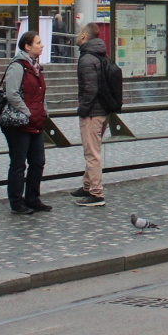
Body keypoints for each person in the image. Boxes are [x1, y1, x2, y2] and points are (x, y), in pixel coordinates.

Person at [3, 31, 50, 214]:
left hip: (35, 121)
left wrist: (43, 110)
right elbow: (12, 93)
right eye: (38, 42)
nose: (42, 45)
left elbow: (40, 93)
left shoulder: (36, 66)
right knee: (18, 163)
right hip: (19, 123)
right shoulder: (18, 66)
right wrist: (27, 112)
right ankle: (17, 201)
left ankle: (33, 198)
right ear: (27, 46)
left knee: (38, 161)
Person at [73, 22, 110, 207]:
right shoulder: (102, 54)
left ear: (84, 36)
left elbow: (90, 89)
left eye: (79, 32)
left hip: (93, 113)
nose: (77, 35)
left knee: (92, 153)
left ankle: (96, 193)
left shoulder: (87, 58)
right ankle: (87, 186)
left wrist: (83, 109)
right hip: (103, 110)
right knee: (93, 150)